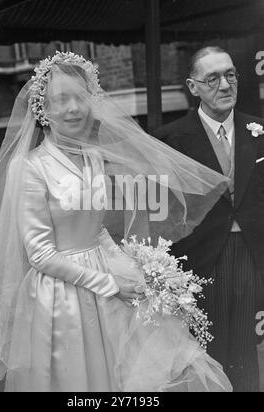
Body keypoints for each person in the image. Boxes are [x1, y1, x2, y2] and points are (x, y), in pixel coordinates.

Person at [0, 52, 232, 392]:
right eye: (60, 100)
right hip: (61, 295)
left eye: (81, 98)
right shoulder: (30, 168)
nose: (73, 109)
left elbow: (96, 228)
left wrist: (133, 265)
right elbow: (39, 254)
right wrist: (110, 284)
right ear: (43, 109)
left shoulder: (94, 157)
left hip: (106, 273)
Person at [155, 46, 264, 392]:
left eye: (230, 74)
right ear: (193, 86)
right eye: (212, 78)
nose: (225, 84)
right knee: (205, 353)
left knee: (248, 349)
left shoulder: (259, 130)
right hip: (200, 260)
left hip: (251, 257)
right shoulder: (169, 139)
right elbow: (163, 213)